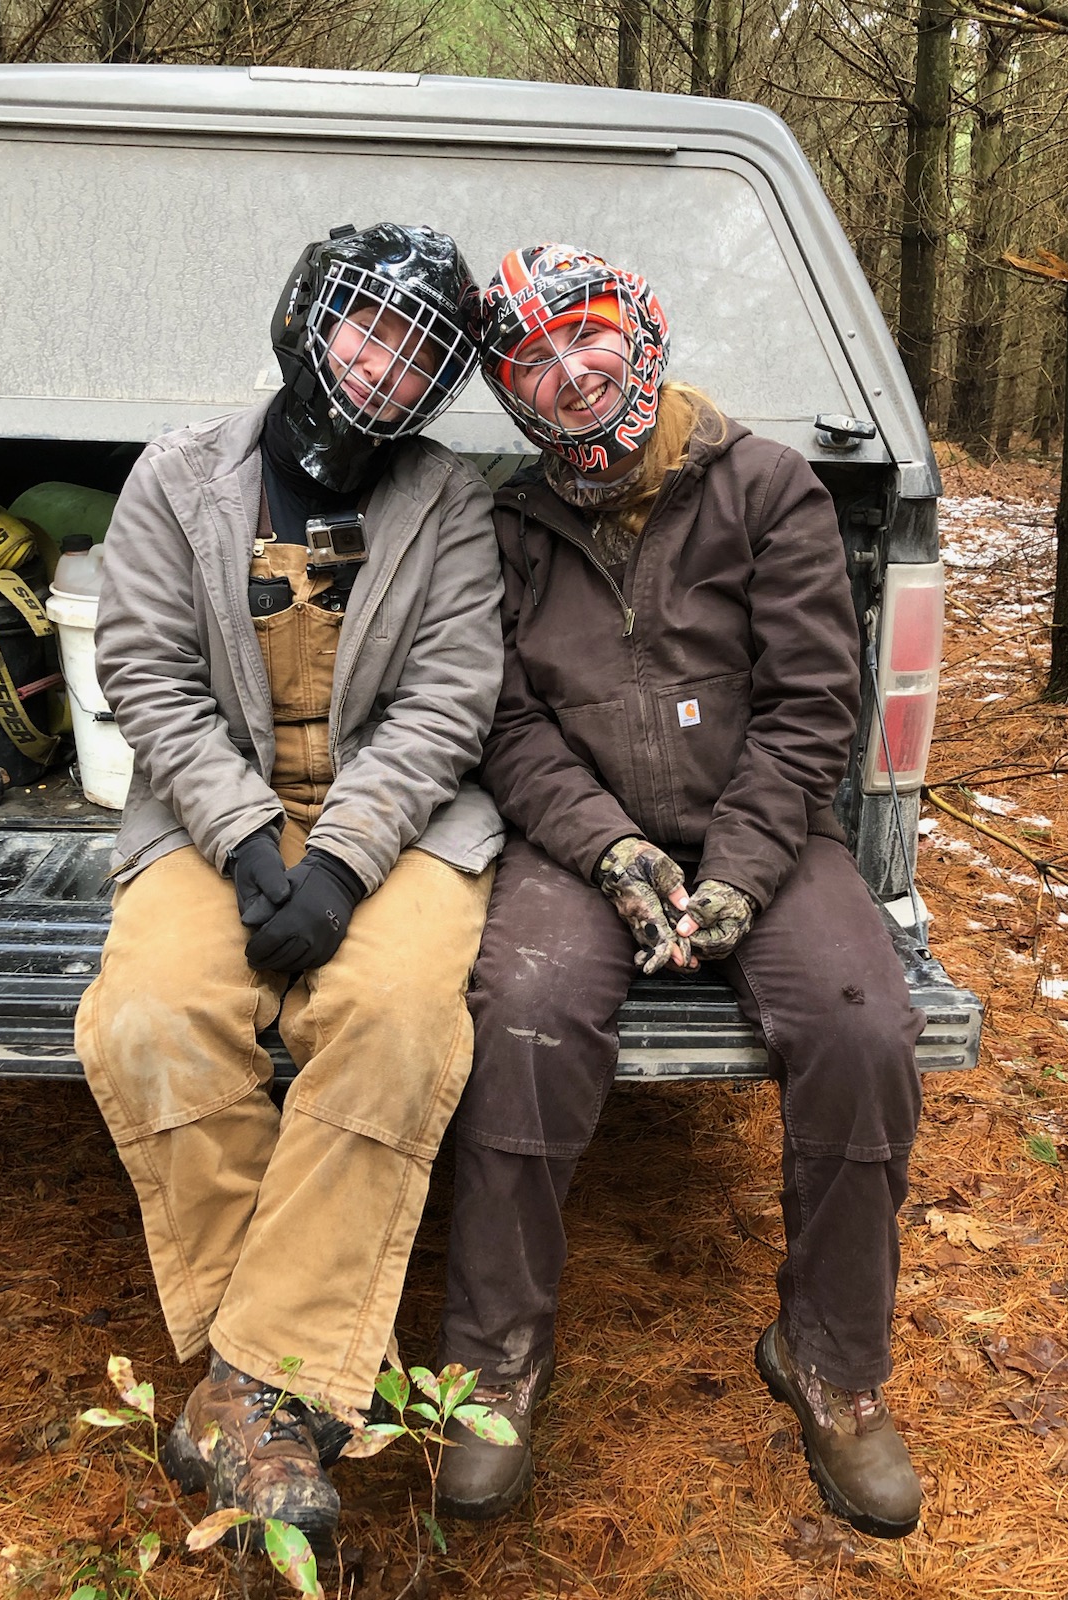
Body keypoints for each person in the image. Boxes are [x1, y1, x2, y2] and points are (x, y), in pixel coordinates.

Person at [434, 243, 926, 1538]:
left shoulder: (769, 487)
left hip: (761, 830)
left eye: (586, 335)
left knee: (862, 1025)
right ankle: (496, 1366)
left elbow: (818, 704)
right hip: (582, 842)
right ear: (511, 393)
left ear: (640, 329)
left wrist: (746, 873)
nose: (569, 373)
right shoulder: (509, 521)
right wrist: (607, 848)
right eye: (530, 360)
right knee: (522, 1017)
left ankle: (832, 1361)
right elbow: (507, 721)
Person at [74, 222, 504, 1553]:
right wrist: (255, 847)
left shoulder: (453, 501)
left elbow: (449, 701)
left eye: (422, 350)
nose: (387, 365)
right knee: (151, 1016)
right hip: (216, 815)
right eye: (369, 328)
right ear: (308, 319)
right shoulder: (179, 476)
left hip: (406, 821)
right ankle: (274, 1379)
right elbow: (144, 670)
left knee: (392, 1022)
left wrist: (346, 864)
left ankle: (243, 1390)